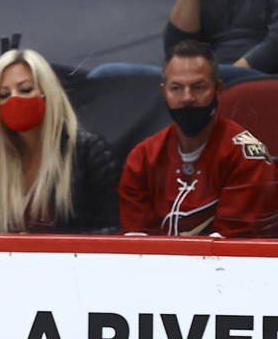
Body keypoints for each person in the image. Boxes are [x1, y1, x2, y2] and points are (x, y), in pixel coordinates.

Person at [119, 39, 278, 236]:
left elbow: (232, 252)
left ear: (218, 90)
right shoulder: (142, 158)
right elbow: (136, 248)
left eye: (198, 87)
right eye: (176, 88)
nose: (187, 97)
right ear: (164, 93)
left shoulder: (246, 158)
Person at [0, 48, 121, 233]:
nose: (15, 100)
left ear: (48, 92)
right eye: (4, 95)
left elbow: (112, 232)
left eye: (25, 89)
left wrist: (47, 247)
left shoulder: (89, 151)